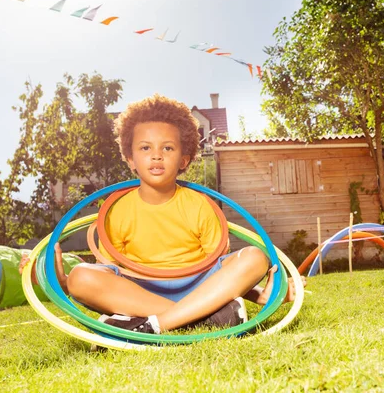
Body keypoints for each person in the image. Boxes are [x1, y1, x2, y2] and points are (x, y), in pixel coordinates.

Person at [21, 94, 304, 335]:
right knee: (82, 276)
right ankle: (205, 317)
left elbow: (220, 273)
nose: (156, 156)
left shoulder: (201, 205)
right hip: (141, 293)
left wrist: (262, 294)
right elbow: (110, 272)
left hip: (198, 286)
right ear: (130, 158)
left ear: (184, 159)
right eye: (145, 148)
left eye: (167, 148)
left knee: (254, 257)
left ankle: (152, 325)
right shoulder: (116, 211)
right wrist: (60, 280)